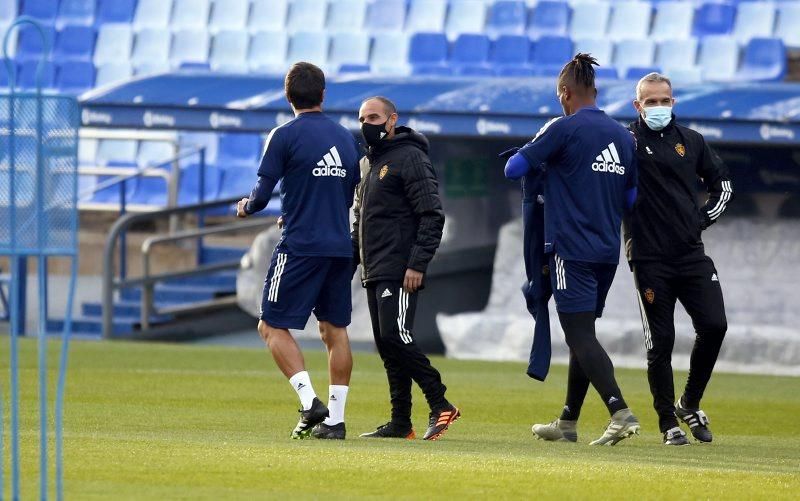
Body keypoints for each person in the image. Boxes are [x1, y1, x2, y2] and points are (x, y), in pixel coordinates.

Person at [504, 54, 641, 446]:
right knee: (584, 334)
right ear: (594, 93)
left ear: (565, 93)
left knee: (579, 335)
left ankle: (620, 411)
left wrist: (538, 154)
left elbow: (513, 169)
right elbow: (630, 197)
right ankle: (567, 422)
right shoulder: (622, 137)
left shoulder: (563, 129)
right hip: (605, 250)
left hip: (570, 249)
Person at [237, 62, 361, 440]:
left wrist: (245, 206)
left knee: (271, 324)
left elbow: (260, 196)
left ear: (288, 96)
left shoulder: (283, 135)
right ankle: (336, 422)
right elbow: (347, 190)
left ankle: (310, 403)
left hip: (302, 245)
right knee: (334, 329)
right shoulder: (345, 137)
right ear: (323, 95)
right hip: (341, 246)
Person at [626, 72, 732, 446]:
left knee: (715, 326)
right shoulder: (626, 141)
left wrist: (701, 220)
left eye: (664, 100)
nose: (658, 107)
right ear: (637, 105)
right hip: (649, 256)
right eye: (650, 101)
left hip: (690, 254)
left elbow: (723, 184)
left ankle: (689, 402)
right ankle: (668, 420)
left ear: (673, 102)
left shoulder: (693, 141)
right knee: (662, 341)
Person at [352, 96, 459, 441]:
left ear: (392, 120)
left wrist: (416, 263)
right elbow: (363, 222)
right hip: (375, 267)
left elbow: (431, 214)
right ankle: (400, 421)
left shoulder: (411, 157)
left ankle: (440, 402)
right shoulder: (369, 165)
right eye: (362, 118)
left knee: (396, 337)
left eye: (374, 117)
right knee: (387, 346)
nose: (367, 124)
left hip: (399, 267)